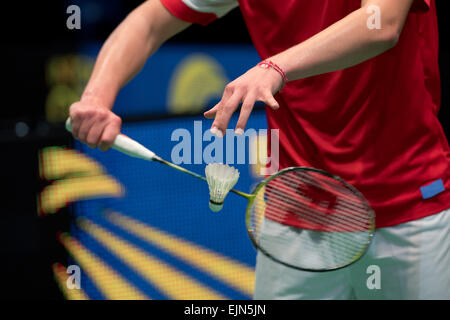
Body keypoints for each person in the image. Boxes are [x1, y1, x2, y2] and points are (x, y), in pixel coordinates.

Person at [69, 0, 450, 299]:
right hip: (297, 209)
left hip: (408, 203)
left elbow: (381, 21)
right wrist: (96, 97)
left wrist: (274, 68)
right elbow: (151, 20)